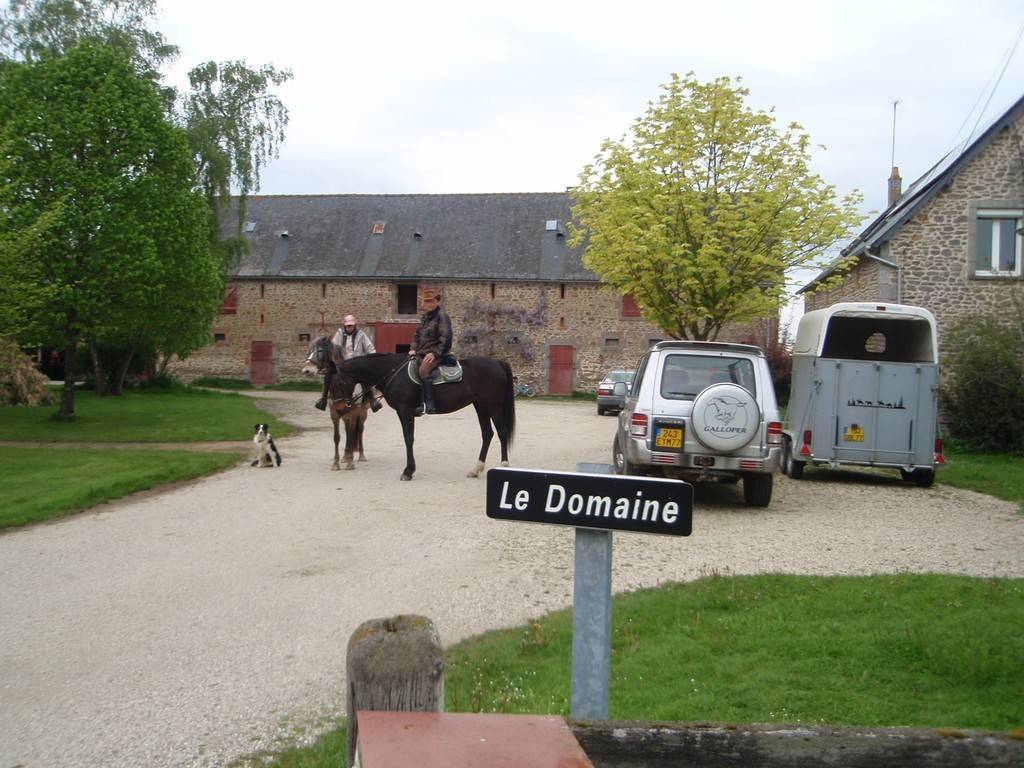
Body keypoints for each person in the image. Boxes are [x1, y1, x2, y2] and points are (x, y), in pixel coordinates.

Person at [315, 314, 382, 412]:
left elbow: (370, 348)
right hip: (342, 364)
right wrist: (334, 359)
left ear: (355, 325)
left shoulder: (361, 335)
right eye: (348, 325)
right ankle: (323, 400)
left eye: (351, 325)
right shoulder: (339, 334)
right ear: (344, 325)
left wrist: (371, 359)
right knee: (328, 373)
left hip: (357, 364)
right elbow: (333, 348)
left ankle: (372, 401)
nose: (349, 327)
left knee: (365, 378)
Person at [408, 288, 452, 415]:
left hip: (437, 354)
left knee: (423, 370)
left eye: (429, 301)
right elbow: (417, 335)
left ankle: (429, 404)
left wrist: (435, 353)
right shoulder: (425, 318)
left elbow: (446, 337)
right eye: (425, 301)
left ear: (436, 302)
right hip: (421, 352)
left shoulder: (442, 317)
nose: (426, 304)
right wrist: (413, 349)